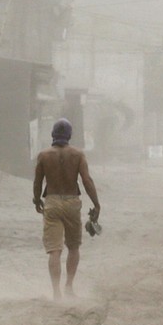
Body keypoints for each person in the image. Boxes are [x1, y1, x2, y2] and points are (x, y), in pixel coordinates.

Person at [32, 118, 100, 299]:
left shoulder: (44, 155)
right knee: (74, 246)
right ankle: (69, 286)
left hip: (52, 202)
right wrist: (96, 203)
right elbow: (86, 181)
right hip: (72, 203)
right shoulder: (78, 155)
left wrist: (37, 199)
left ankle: (56, 292)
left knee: (54, 250)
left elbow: (38, 181)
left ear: (53, 134)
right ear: (69, 135)